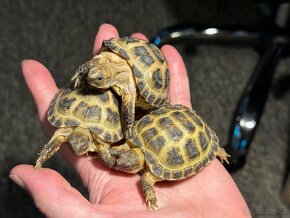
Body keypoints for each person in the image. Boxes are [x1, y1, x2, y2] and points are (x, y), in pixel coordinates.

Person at [9, 24, 250, 217]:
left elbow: (126, 117)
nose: (79, 149)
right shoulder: (98, 78)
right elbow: (93, 73)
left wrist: (129, 130)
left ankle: (214, 146)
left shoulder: (145, 170)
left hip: (155, 119)